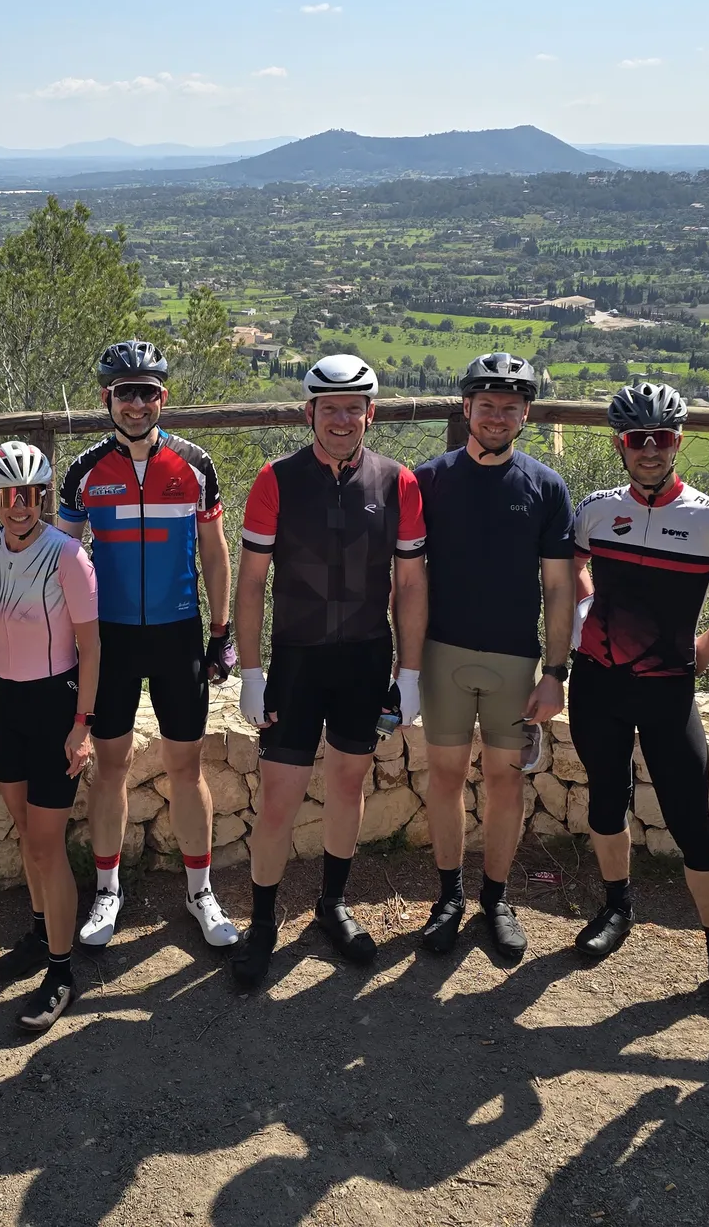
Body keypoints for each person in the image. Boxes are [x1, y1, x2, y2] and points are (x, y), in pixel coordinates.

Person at [567, 381, 709, 1024]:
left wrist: (705, 648)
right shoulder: (596, 509)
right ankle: (617, 907)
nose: (650, 449)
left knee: (691, 823)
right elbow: (570, 567)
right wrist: (585, 609)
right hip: (597, 683)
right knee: (606, 801)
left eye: (661, 438)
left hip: (667, 690)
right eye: (638, 439)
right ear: (620, 445)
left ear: (678, 441)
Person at [231, 354, 427, 987]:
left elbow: (410, 584)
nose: (342, 420)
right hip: (296, 661)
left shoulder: (397, 482)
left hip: (365, 658)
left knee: (348, 786)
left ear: (371, 414)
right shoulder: (276, 479)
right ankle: (263, 922)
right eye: (330, 408)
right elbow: (251, 582)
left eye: (354, 409)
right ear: (308, 412)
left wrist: (410, 672)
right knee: (279, 800)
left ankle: (331, 905)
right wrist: (251, 671)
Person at [56, 340, 236, 950]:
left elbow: (215, 552)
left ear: (164, 396)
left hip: (177, 633)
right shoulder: (85, 470)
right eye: (124, 393)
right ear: (106, 398)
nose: (136, 404)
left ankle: (200, 890)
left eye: (147, 392)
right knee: (110, 766)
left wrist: (221, 633)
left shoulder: (195, 464)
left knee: (187, 766)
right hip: (109, 640)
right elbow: (62, 559)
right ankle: (107, 890)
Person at [406, 352, 575, 961]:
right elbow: (406, 577)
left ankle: (496, 900)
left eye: (510, 406)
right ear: (466, 408)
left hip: (514, 659)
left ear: (526, 414)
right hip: (442, 652)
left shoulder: (546, 487)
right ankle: (449, 896)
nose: (497, 417)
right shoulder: (428, 480)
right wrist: (403, 663)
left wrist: (555, 672)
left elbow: (558, 587)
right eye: (486, 405)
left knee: (505, 780)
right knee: (446, 776)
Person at [0, 441, 102, 1029]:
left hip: (55, 704)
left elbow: (92, 646)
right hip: (5, 700)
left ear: (43, 496)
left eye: (28, 495)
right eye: (6, 496)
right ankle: (42, 933)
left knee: (47, 844)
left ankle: (62, 971)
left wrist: (82, 725)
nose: (18, 506)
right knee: (26, 833)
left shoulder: (67, 555)